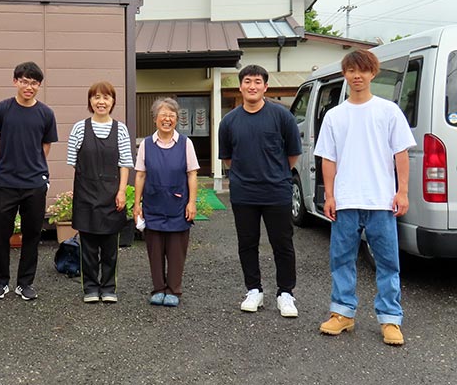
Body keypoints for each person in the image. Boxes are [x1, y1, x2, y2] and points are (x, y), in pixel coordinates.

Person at [315, 49, 415, 346]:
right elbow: (328, 159)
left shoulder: (388, 111)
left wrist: (403, 191)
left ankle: (390, 319)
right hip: (345, 201)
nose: (357, 76)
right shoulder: (334, 115)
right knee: (341, 259)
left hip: (381, 201)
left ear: (373, 73)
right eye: (351, 70)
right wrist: (329, 195)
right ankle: (342, 313)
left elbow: (401, 154)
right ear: (344, 74)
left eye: (363, 70)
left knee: (388, 262)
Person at [218, 65, 302, 317]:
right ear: (240, 86)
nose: (252, 86)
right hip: (244, 193)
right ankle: (253, 289)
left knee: (282, 243)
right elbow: (228, 159)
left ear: (265, 87)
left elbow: (293, 154)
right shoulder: (229, 121)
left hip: (277, 191)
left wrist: (274, 174)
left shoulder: (281, 116)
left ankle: (285, 293)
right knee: (247, 242)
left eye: (257, 81)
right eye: (247, 81)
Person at [0, 62, 58, 301]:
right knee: (1, 234)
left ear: (39, 86)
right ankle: (0, 282)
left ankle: (25, 283)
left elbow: (46, 145)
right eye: (24, 81)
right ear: (15, 81)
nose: (29, 86)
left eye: (34, 83)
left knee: (32, 234)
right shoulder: (1, 109)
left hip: (34, 185)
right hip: (4, 183)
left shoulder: (46, 113)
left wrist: (35, 168)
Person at [67, 81, 133, 303]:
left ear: (113, 101)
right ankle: (91, 289)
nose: (101, 102)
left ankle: (109, 288)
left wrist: (122, 191)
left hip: (112, 194)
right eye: (96, 97)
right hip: (86, 195)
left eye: (106, 97)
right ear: (90, 101)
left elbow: (125, 163)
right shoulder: (78, 128)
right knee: (87, 246)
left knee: (110, 248)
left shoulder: (120, 129)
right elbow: (74, 163)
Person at [133, 97, 198, 307]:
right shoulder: (146, 144)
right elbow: (141, 175)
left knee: (177, 250)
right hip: (153, 203)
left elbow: (192, 175)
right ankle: (158, 288)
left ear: (177, 119)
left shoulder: (185, 143)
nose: (167, 119)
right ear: (155, 119)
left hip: (178, 203)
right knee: (155, 249)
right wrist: (137, 204)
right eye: (163, 115)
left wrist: (192, 203)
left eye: (171, 115)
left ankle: (174, 290)